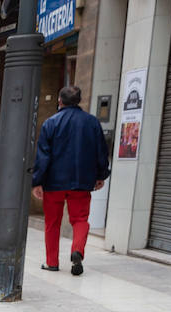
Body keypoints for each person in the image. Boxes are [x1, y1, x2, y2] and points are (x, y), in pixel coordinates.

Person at [32, 85, 110, 276]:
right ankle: (77, 251)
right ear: (79, 101)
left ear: (60, 100)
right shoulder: (92, 123)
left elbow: (43, 156)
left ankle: (52, 263)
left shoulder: (51, 123)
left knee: (52, 223)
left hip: (53, 183)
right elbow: (101, 152)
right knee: (80, 219)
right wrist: (101, 175)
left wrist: (37, 181)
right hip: (81, 182)